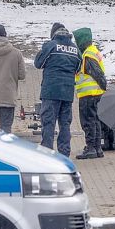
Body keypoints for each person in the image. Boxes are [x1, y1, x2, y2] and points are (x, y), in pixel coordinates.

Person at [33, 23, 81, 156]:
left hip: (51, 91)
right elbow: (78, 68)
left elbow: (38, 64)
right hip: (67, 93)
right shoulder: (75, 49)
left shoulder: (51, 46)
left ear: (53, 34)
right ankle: (64, 153)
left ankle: (47, 153)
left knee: (48, 122)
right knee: (65, 123)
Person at [73, 27, 107, 160]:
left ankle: (91, 148)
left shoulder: (87, 55)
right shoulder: (92, 51)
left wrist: (103, 85)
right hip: (95, 92)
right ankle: (97, 148)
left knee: (87, 121)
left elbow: (97, 73)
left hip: (88, 94)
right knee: (95, 120)